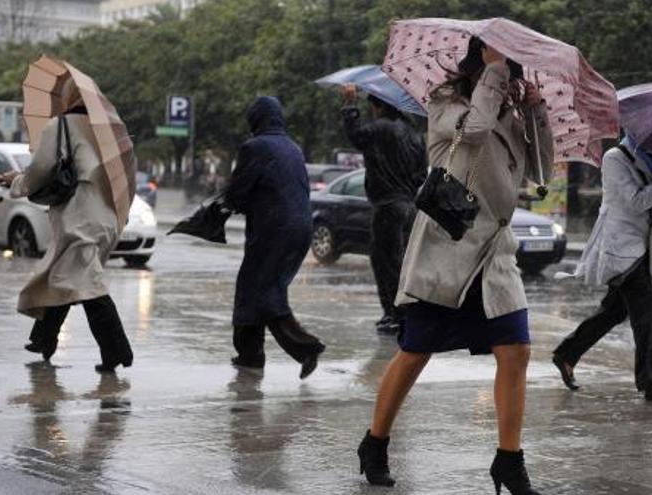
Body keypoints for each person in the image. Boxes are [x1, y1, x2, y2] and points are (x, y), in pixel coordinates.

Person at [356, 38, 553, 495]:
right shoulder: (444, 103)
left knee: (516, 350)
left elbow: (541, 169)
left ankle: (509, 460)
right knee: (415, 351)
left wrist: (536, 109)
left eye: (512, 75)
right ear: (480, 66)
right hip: (449, 246)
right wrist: (495, 75)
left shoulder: (511, 111)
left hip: (495, 254)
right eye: (502, 72)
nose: (508, 83)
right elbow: (475, 131)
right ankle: (376, 442)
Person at [0, 79, 134, 373]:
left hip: (81, 218)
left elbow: (39, 171)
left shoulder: (59, 126)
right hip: (106, 217)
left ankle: (117, 350)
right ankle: (43, 340)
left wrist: (16, 181)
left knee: (85, 284)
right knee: (65, 277)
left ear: (68, 99)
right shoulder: (109, 130)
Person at [551, 134, 652, 401]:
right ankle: (650, 382)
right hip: (621, 248)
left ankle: (566, 353)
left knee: (613, 311)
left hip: (642, 246)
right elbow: (635, 202)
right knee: (647, 311)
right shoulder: (615, 159)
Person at [226, 96, 325, 379]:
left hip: (274, 230)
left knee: (266, 293)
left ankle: (306, 347)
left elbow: (238, 192)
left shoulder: (254, 147)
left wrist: (226, 205)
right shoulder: (293, 147)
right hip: (300, 228)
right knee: (253, 288)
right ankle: (249, 354)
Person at [340, 86, 428, 335]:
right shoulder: (414, 135)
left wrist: (349, 105)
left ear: (379, 106)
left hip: (388, 206)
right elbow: (422, 174)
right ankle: (404, 312)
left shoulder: (381, 128)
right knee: (403, 262)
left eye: (372, 107)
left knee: (385, 262)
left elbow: (356, 136)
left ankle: (395, 314)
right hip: (409, 206)